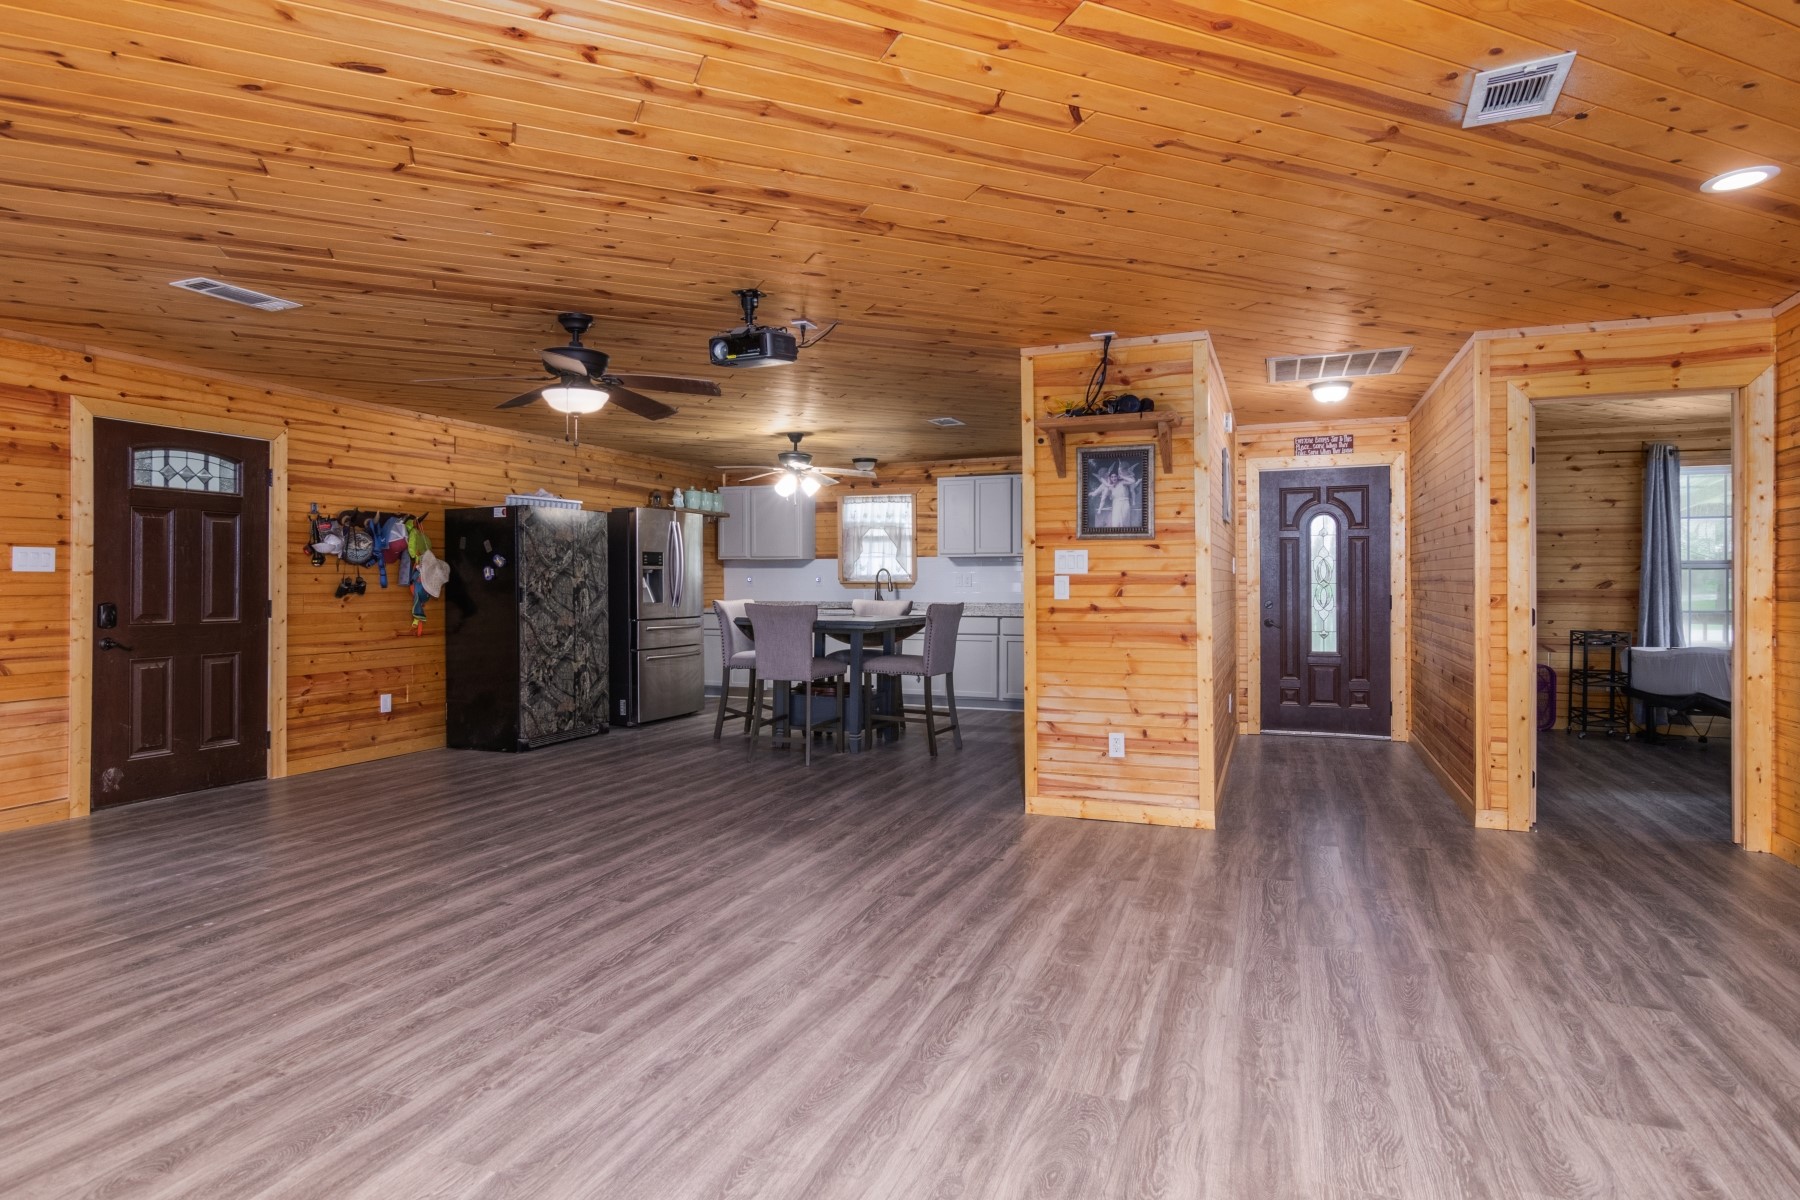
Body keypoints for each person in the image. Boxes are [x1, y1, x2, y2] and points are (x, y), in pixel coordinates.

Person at [1088, 460, 1140, 528]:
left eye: (1115, 476)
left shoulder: (1122, 483)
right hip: (1115, 505)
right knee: (1115, 523)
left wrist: (1122, 476)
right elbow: (1100, 489)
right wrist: (1092, 493)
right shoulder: (1110, 487)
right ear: (1110, 478)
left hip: (1125, 503)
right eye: (1112, 477)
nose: (1114, 478)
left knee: (1125, 522)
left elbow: (1132, 481)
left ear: (1117, 477)